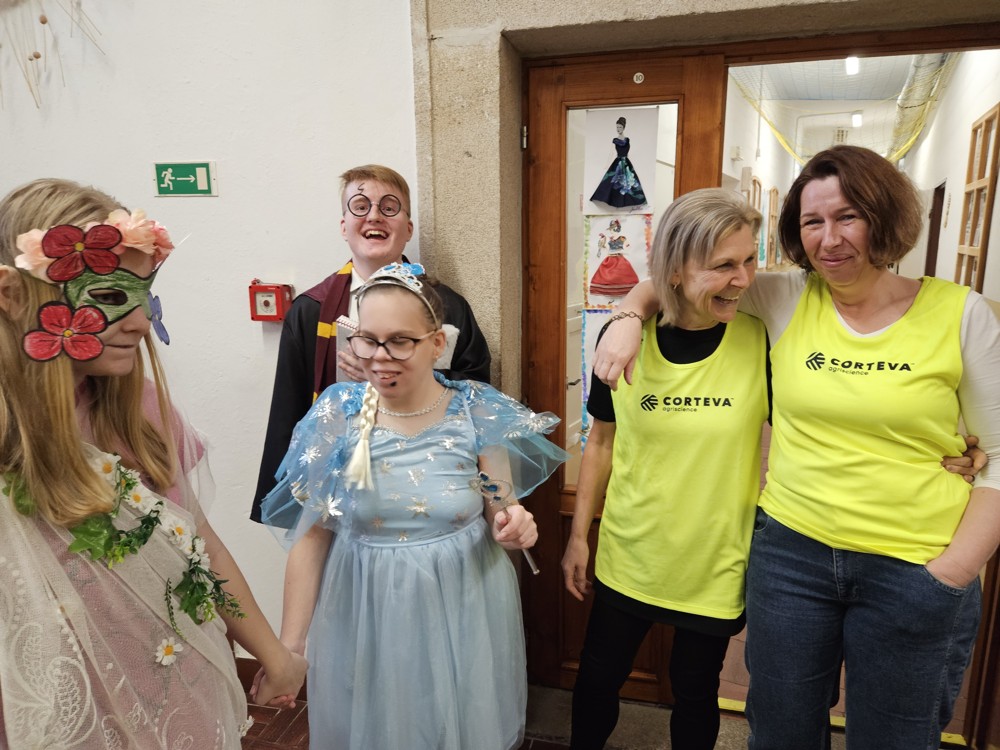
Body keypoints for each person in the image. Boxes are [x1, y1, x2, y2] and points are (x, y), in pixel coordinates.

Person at [591, 145, 1000, 748]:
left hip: (914, 562)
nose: (829, 239)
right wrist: (627, 315)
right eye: (813, 221)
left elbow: (998, 457)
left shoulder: (961, 314)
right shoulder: (784, 297)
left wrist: (952, 572)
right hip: (792, 559)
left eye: (848, 216)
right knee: (781, 730)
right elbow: (679, 276)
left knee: (894, 736)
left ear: (885, 216)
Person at [0, 178, 307, 749]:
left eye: (143, 296)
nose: (142, 323)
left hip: (172, 688)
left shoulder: (139, 413)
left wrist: (273, 653)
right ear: (13, 296)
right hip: (59, 710)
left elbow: (196, 543)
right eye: (109, 295)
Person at [258, 262, 567, 750]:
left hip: (463, 599)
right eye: (368, 340)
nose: (380, 357)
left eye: (400, 341)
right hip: (365, 605)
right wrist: (290, 649)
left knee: (455, 722)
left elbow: (500, 501)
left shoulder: (474, 408)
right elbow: (313, 534)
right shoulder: (338, 413)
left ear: (437, 343)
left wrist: (515, 522)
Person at [562, 189, 767, 750]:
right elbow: (600, 442)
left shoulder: (762, 340)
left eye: (749, 260)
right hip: (631, 552)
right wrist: (579, 537)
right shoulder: (622, 341)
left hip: (714, 561)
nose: (743, 279)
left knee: (695, 691)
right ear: (674, 271)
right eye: (723, 265)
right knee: (598, 679)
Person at [251, 164, 492, 522]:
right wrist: (286, 501)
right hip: (340, 488)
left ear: (408, 228)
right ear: (343, 226)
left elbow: (479, 394)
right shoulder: (311, 311)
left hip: (430, 479)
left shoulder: (447, 308)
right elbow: (290, 407)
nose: (374, 216)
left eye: (389, 207)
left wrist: (387, 378)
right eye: (360, 206)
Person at [590, 116, 647, 208]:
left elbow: (629, 152)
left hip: (626, 163)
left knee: (629, 183)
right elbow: (611, 152)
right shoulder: (615, 140)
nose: (618, 129)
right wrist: (607, 164)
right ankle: (611, 199)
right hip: (618, 163)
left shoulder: (627, 140)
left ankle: (630, 200)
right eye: (617, 127)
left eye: (620, 127)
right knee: (612, 182)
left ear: (624, 128)